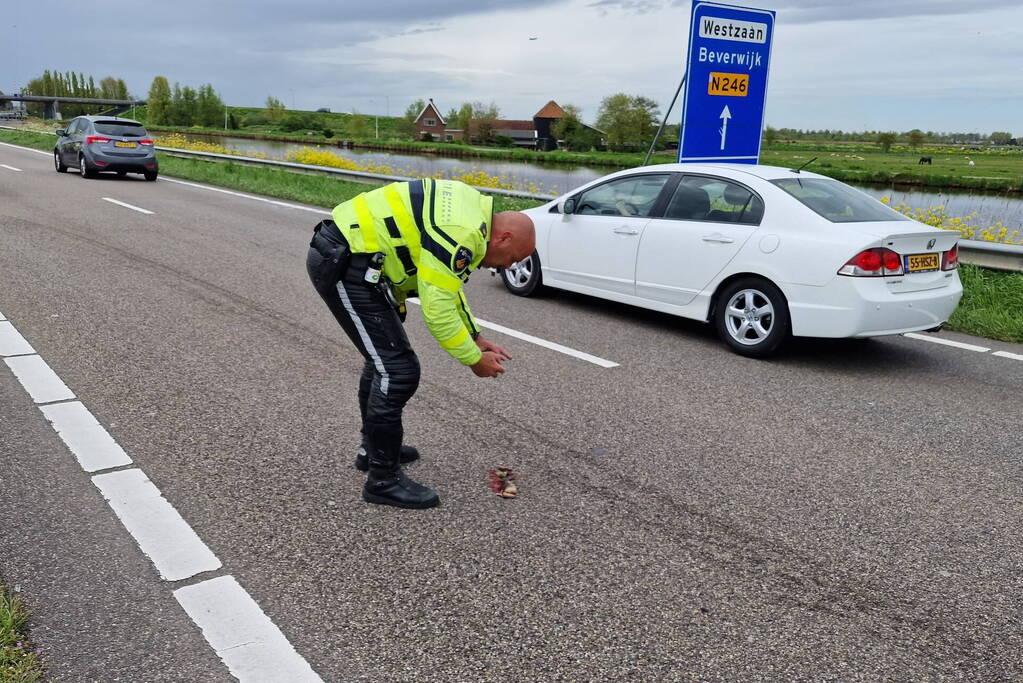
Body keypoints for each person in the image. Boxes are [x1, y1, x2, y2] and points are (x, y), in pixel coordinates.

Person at [306, 179, 536, 509]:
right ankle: (382, 480)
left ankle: (373, 451)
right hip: (345, 262)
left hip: (355, 259)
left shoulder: (473, 212)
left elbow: (446, 285)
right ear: (504, 238)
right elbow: (437, 310)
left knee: (383, 364)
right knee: (397, 370)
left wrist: (475, 336)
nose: (509, 267)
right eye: (513, 258)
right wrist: (473, 359)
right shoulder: (464, 230)